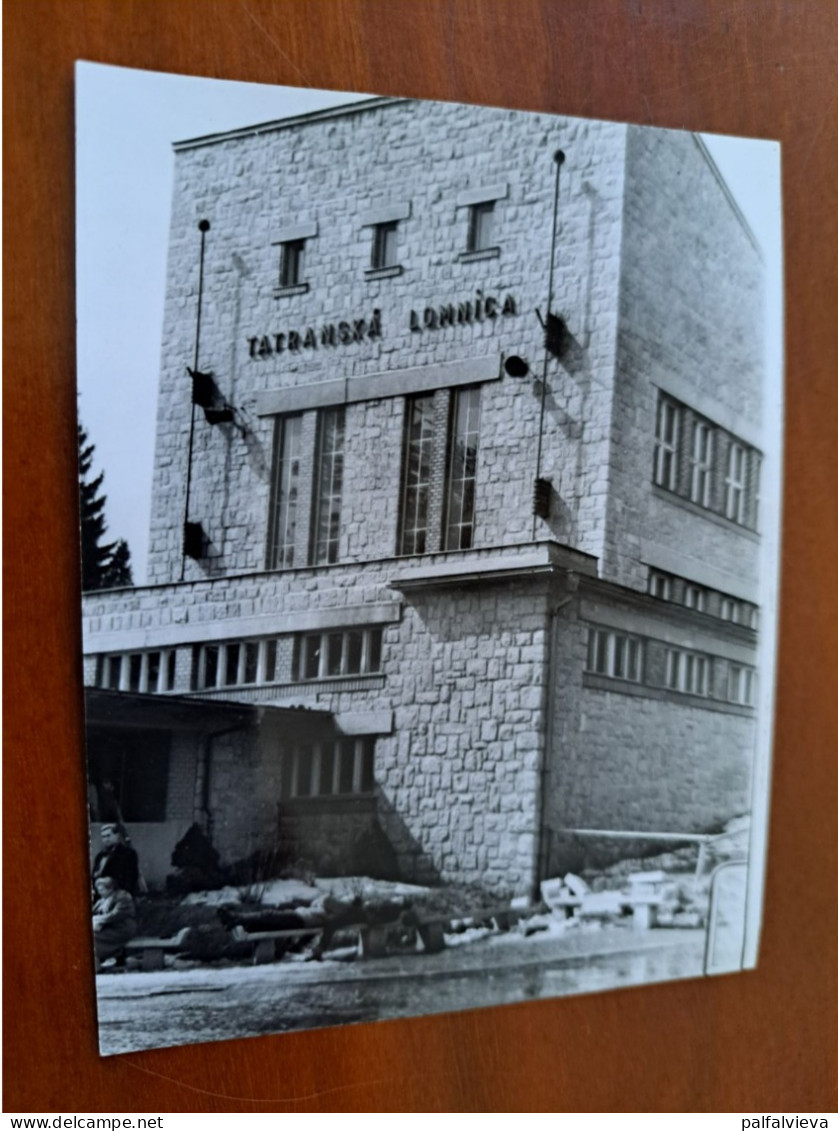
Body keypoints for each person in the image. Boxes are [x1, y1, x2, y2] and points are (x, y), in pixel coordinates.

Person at [92, 876, 137, 968]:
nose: (99, 892)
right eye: (98, 890)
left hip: (122, 928)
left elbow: (117, 914)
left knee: (94, 938)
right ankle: (101, 959)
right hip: (108, 927)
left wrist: (98, 919)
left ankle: (104, 958)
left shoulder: (123, 897)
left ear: (110, 888)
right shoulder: (102, 900)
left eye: (102, 890)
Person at [92, 823, 140, 897]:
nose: (106, 839)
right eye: (103, 837)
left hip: (119, 895)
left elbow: (131, 878)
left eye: (108, 836)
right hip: (100, 895)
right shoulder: (100, 855)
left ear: (117, 836)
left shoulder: (128, 854)